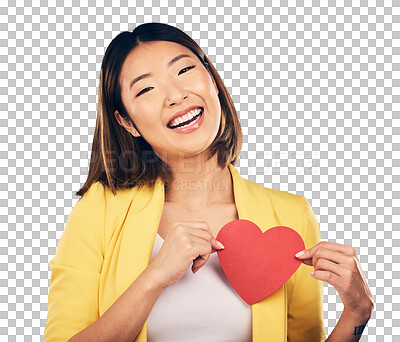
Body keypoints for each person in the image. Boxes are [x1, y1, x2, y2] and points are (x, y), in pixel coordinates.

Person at [44, 22, 374, 342]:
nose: (175, 95)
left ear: (212, 79)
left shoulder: (290, 215)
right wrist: (156, 276)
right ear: (127, 121)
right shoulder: (99, 209)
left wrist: (355, 316)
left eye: (184, 71)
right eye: (146, 89)